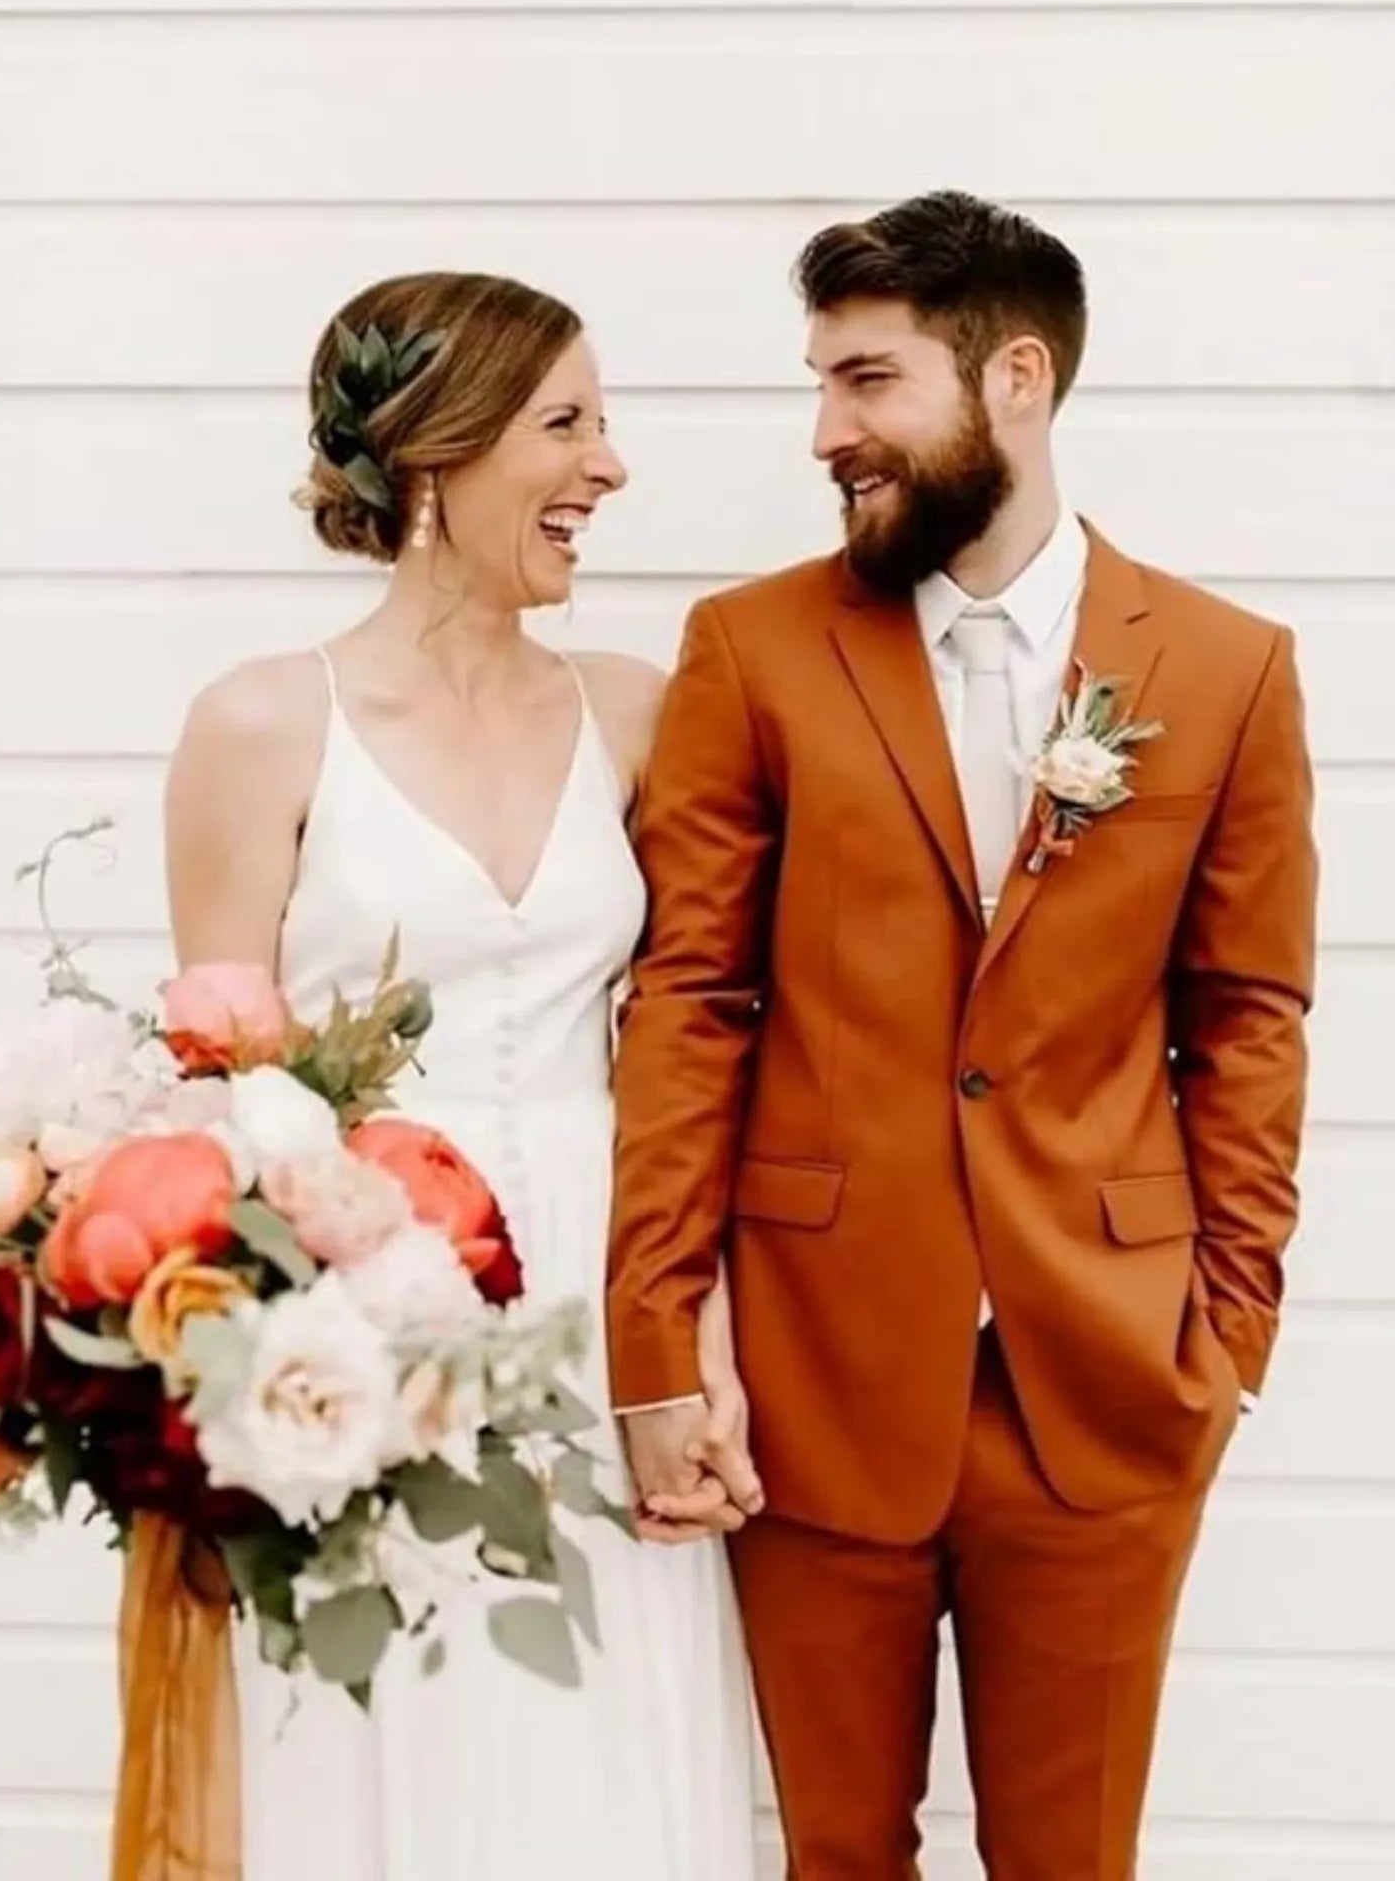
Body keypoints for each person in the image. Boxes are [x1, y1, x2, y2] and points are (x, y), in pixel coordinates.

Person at [608, 192, 1318, 1879]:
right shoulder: (753, 650)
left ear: (1014, 379)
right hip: (812, 1373)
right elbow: (689, 1003)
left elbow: (1249, 1017)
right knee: (837, 1855)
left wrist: (1228, 1330)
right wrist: (656, 1335)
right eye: (818, 387)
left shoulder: (1226, 668)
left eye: (866, 384)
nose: (825, 435)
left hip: (1110, 1378)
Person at [164, 269, 759, 1881]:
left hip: (603, 1300)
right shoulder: (263, 723)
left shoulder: (634, 712)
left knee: (610, 1754)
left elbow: (690, 1050)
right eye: (568, 425)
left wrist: (692, 1336)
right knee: (386, 1743)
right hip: (366, 1319)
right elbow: (228, 1088)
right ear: (439, 453)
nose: (610, 469)